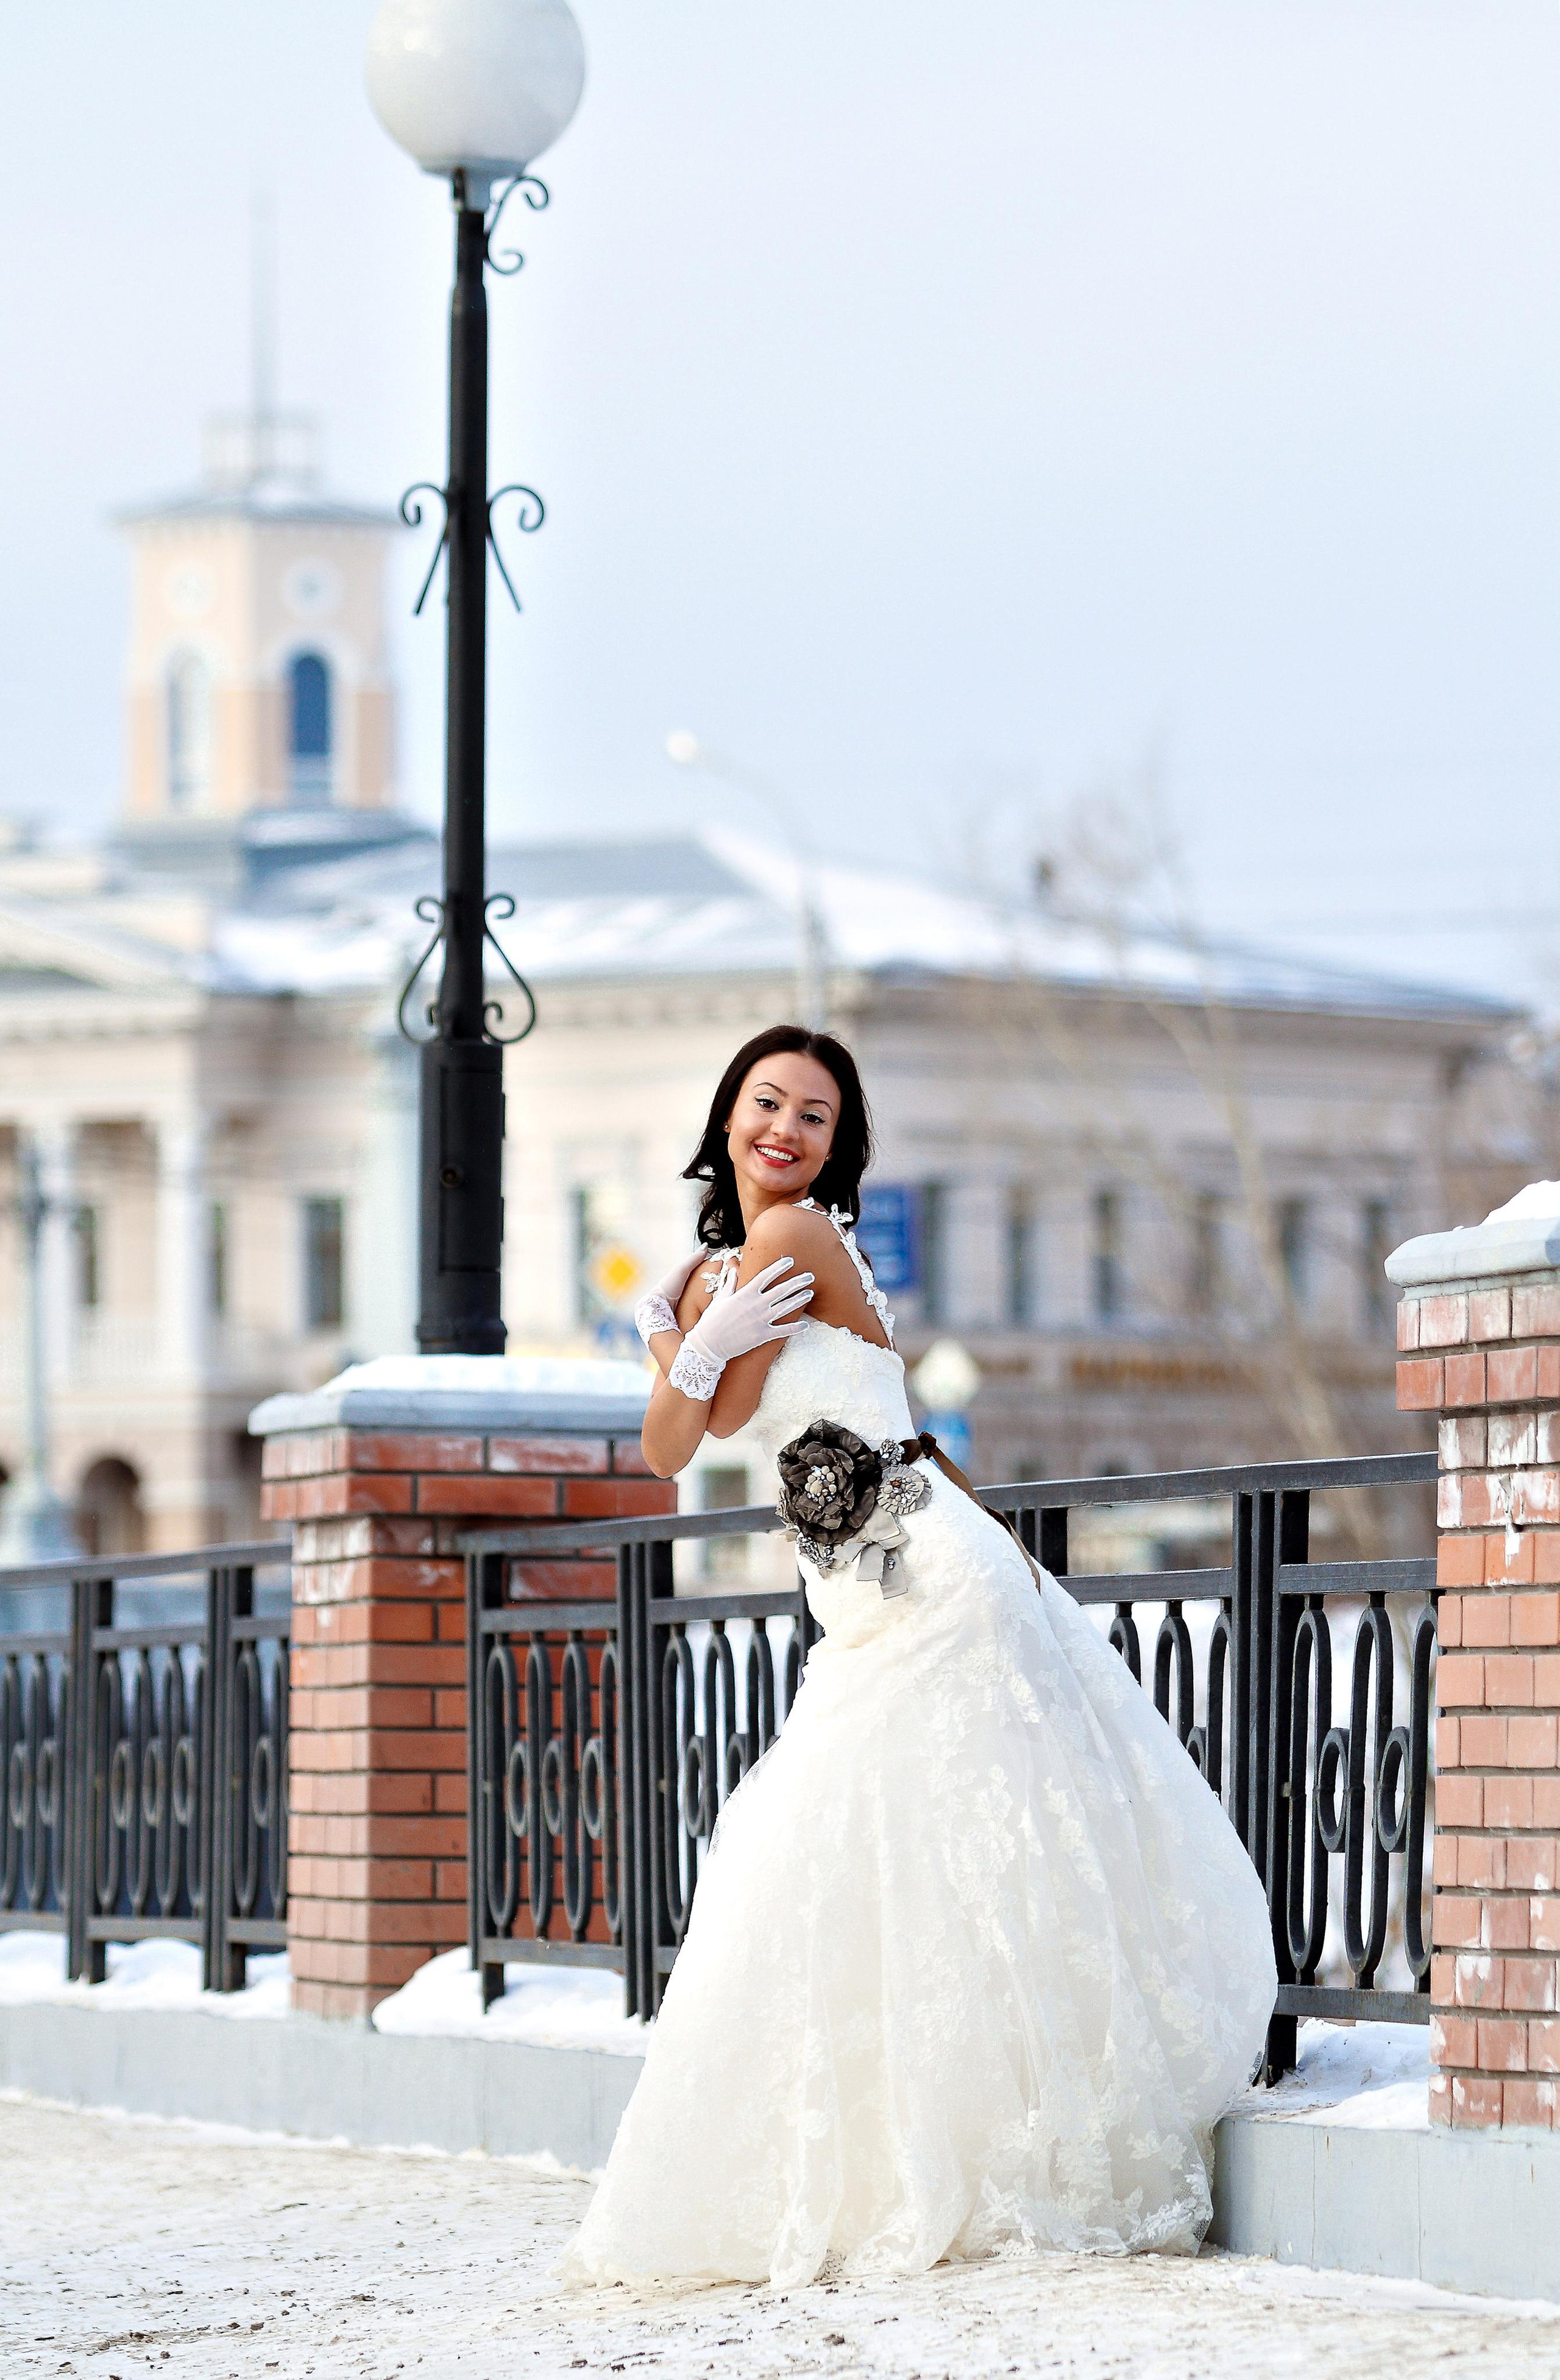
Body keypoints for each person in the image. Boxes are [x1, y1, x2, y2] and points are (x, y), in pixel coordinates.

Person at [562, 1023, 1276, 2289]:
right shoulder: (711, 1269)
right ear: (726, 1115)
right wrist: (680, 1336)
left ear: (839, 1148)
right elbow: (668, 1455)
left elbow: (703, 1420)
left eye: (815, 1117)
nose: (784, 1130)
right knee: (904, 1859)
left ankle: (991, 2154)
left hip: (922, 1571)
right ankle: (928, 2152)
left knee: (902, 1845)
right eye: (765, 1103)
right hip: (866, 1583)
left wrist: (681, 1345)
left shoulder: (790, 1241)